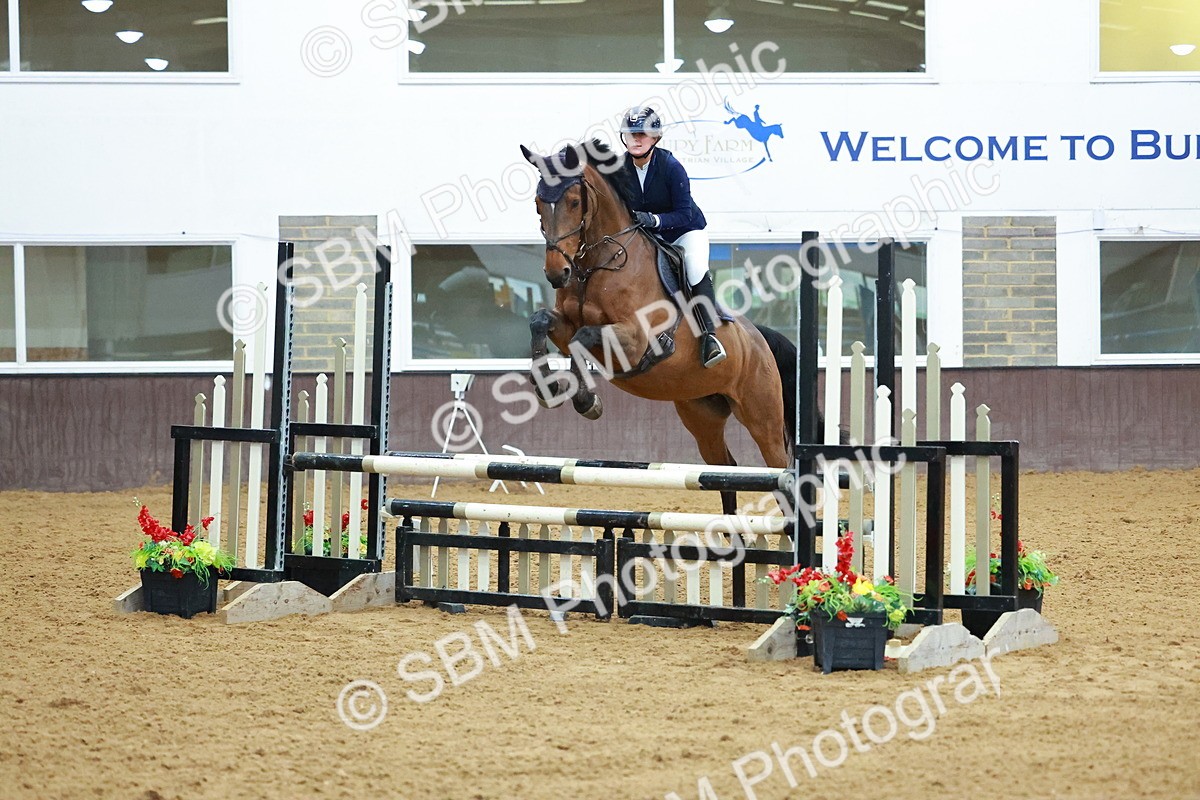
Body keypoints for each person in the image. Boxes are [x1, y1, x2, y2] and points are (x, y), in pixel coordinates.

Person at [617, 105, 727, 368]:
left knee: (694, 268)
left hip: (685, 232)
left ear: (655, 138)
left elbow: (684, 213)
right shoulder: (619, 168)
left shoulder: (671, 167)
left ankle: (709, 337)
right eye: (630, 134)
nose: (636, 139)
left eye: (642, 134)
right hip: (648, 237)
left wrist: (654, 220)